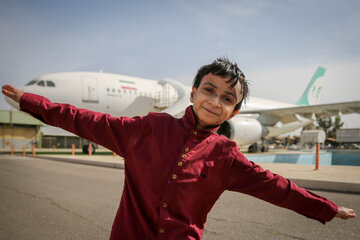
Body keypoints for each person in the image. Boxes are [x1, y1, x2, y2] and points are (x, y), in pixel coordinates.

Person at [2, 58, 356, 240]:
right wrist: (34, 103)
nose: (215, 102)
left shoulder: (226, 156)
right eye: (209, 90)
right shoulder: (148, 128)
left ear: (235, 111)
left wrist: (325, 207)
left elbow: (276, 187)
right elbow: (85, 120)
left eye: (227, 99)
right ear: (192, 92)